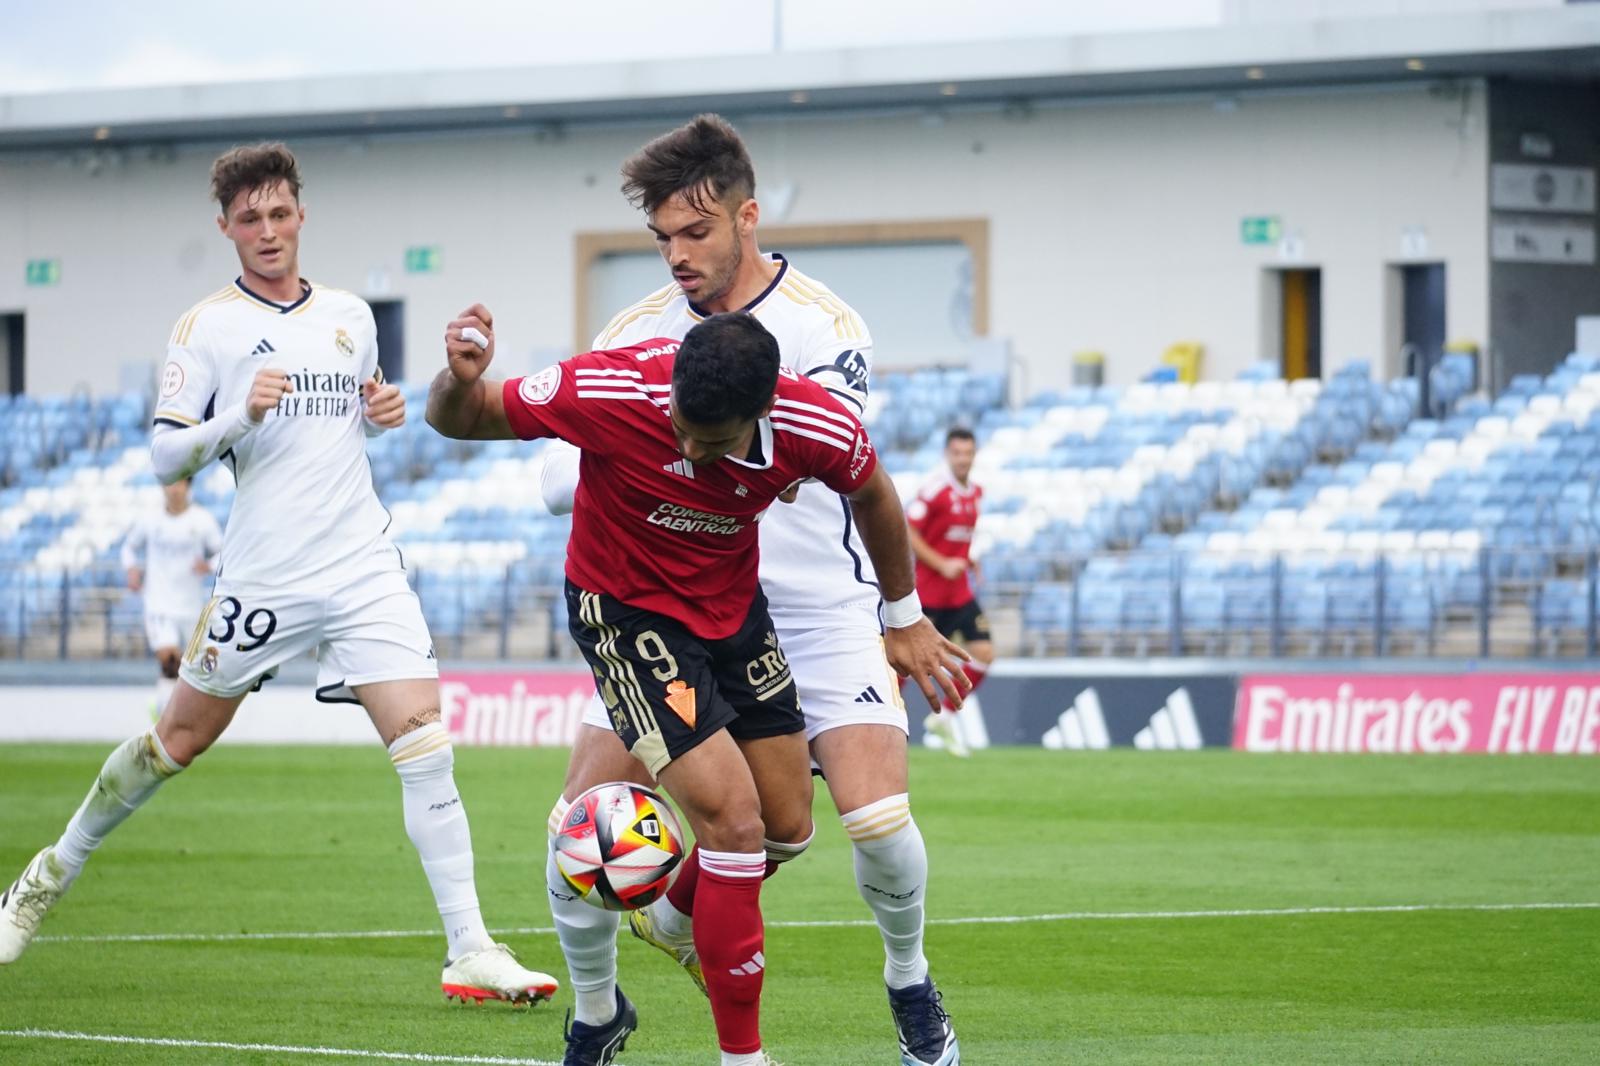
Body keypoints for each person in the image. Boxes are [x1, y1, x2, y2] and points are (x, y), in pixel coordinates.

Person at [0, 143, 559, 1008]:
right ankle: (48, 873)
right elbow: (161, 454)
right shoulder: (206, 328)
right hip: (265, 576)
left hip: (362, 562)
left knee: (425, 747)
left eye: (280, 213)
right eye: (249, 218)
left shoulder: (348, 315)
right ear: (225, 227)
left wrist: (382, 414)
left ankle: (470, 947)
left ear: (302, 213)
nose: (267, 230)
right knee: (174, 744)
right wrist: (235, 414)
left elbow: (346, 423)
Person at [427, 310, 968, 1066]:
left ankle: (666, 933)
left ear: (762, 414)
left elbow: (873, 492)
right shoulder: (611, 389)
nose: (687, 448)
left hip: (733, 616)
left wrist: (903, 617)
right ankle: (731, 1054)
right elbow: (463, 418)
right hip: (627, 617)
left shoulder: (815, 422)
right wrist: (458, 379)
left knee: (788, 825)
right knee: (730, 825)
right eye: (681, 425)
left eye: (711, 443)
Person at [537, 114, 964, 1066]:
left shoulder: (823, 324)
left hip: (813, 608)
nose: (677, 256)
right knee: (584, 826)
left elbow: (834, 465)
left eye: (696, 233)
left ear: (747, 216)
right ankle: (597, 1012)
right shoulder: (634, 333)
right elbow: (554, 469)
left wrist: (902, 618)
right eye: (663, 239)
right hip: (664, 605)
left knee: (869, 825)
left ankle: (908, 979)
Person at [907, 428, 992, 759]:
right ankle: (889, 720)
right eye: (957, 453)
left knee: (985, 652)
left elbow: (956, 539)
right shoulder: (934, 491)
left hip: (959, 594)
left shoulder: (976, 493)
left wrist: (967, 559)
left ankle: (946, 718)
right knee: (903, 665)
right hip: (928, 593)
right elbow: (909, 531)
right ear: (947, 454)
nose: (963, 459)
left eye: (968, 453)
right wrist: (941, 563)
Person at [120, 477, 222, 718]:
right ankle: (166, 717)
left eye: (179, 484)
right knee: (169, 661)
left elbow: (223, 553)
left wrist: (208, 565)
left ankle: (169, 710)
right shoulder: (150, 520)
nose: (174, 490)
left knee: (188, 669)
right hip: (159, 605)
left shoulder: (201, 520)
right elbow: (128, 548)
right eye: (170, 484)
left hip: (190, 608)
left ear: (188, 486)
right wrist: (132, 569)